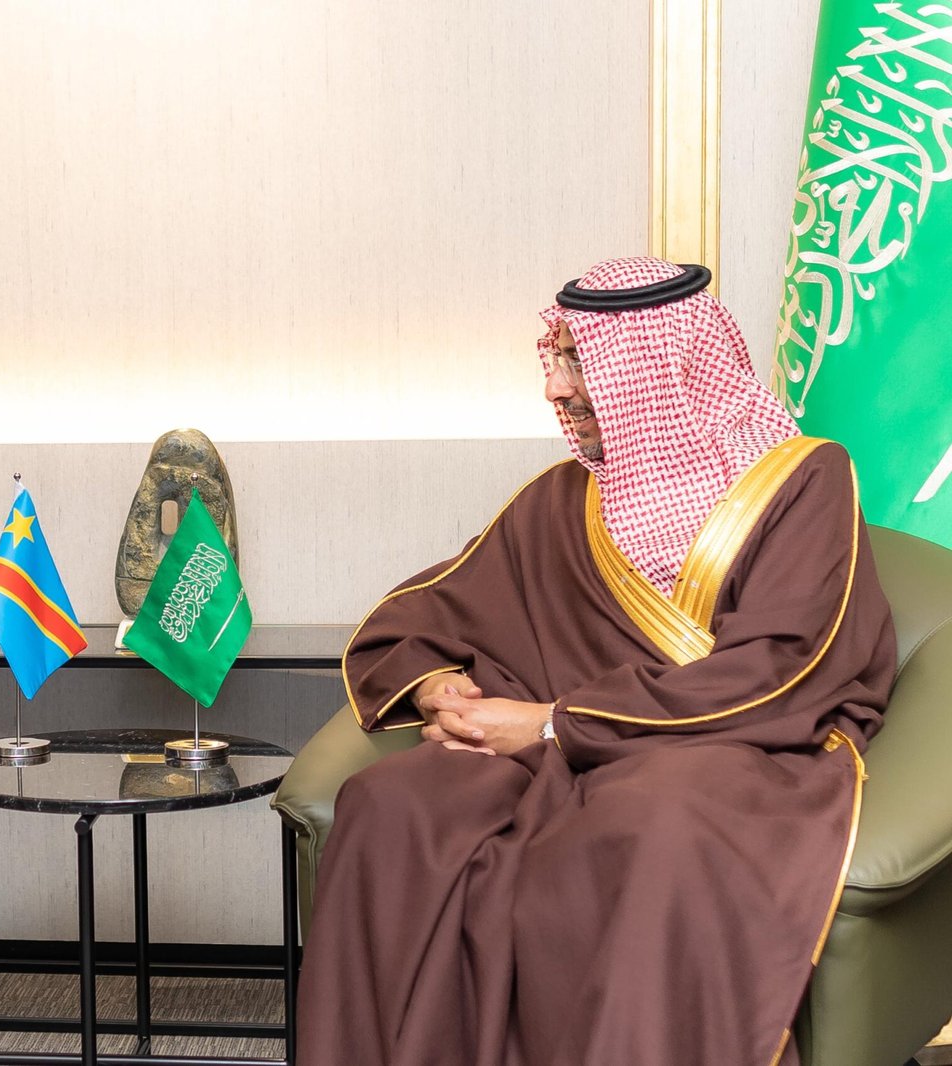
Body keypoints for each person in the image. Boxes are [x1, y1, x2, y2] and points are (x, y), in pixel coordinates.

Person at [297, 257, 895, 1066]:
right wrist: (440, 685)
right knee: (391, 804)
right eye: (556, 360)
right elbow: (428, 610)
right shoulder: (562, 498)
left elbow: (779, 668)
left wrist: (553, 724)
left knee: (646, 828)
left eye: (579, 362)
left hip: (730, 746)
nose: (556, 389)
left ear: (659, 366)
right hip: (561, 751)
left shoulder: (805, 481)